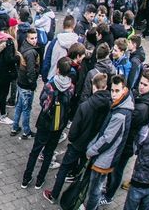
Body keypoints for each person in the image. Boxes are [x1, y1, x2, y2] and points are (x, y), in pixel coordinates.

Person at [45, 72, 111, 204]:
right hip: (92, 146)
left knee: (64, 167)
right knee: (82, 171)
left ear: (94, 86)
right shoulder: (110, 106)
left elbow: (74, 130)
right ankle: (75, 197)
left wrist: (72, 139)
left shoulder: (85, 106)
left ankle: (54, 194)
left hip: (78, 144)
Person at [105, 68, 149, 204]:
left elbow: (129, 123)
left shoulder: (143, 108)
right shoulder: (142, 97)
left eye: (145, 84)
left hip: (128, 143)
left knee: (117, 170)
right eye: (141, 83)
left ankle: (109, 196)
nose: (141, 86)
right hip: (127, 140)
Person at [83, 74, 134, 210]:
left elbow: (107, 139)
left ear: (124, 89)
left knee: (95, 189)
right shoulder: (123, 104)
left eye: (117, 91)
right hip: (108, 156)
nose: (113, 94)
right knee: (96, 187)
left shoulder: (120, 114)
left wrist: (91, 150)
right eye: (112, 90)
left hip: (105, 159)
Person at [22, 56, 74, 190]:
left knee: (35, 151)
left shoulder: (50, 85)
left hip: (45, 122)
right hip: (59, 124)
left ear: (57, 69)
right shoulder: (71, 87)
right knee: (49, 153)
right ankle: (40, 180)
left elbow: (42, 102)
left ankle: (26, 178)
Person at [11, 27, 41, 139]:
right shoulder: (32, 52)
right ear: (27, 38)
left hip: (21, 82)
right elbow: (31, 71)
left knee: (19, 105)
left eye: (36, 38)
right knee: (26, 108)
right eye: (32, 38)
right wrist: (32, 84)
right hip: (26, 85)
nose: (35, 40)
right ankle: (26, 131)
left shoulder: (24, 45)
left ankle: (15, 127)